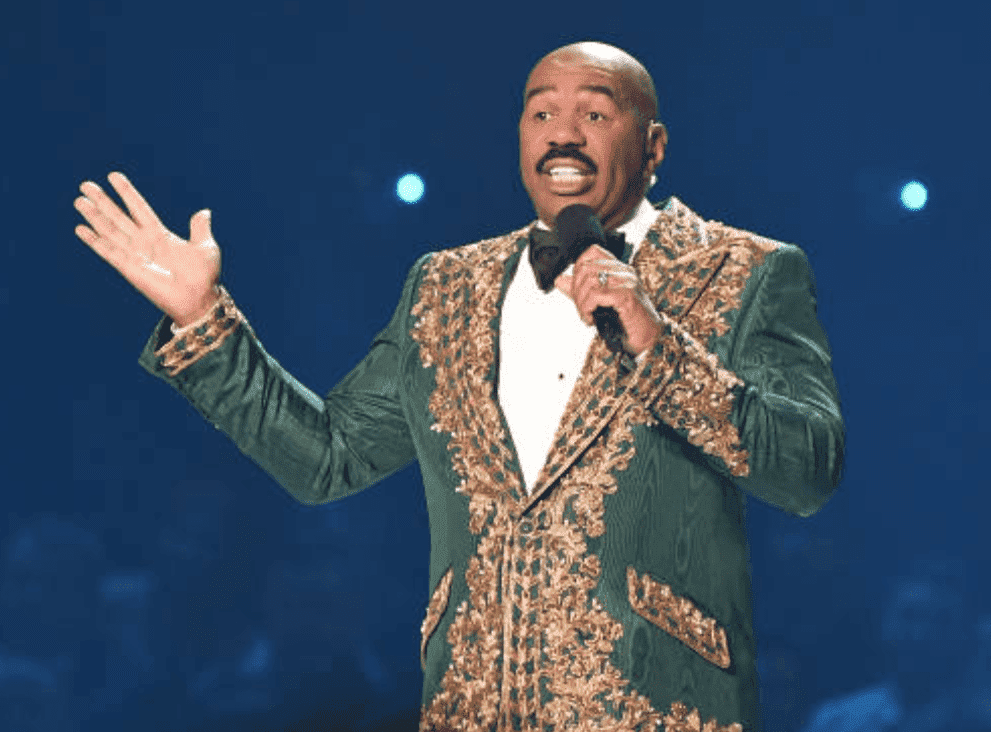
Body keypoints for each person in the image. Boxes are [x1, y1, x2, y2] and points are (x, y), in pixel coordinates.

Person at [73, 41, 844, 732]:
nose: (563, 133)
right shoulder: (446, 287)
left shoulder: (746, 271)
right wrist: (204, 318)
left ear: (653, 147)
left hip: (658, 707)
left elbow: (807, 470)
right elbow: (327, 458)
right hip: (471, 705)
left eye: (595, 113)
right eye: (542, 111)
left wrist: (655, 341)